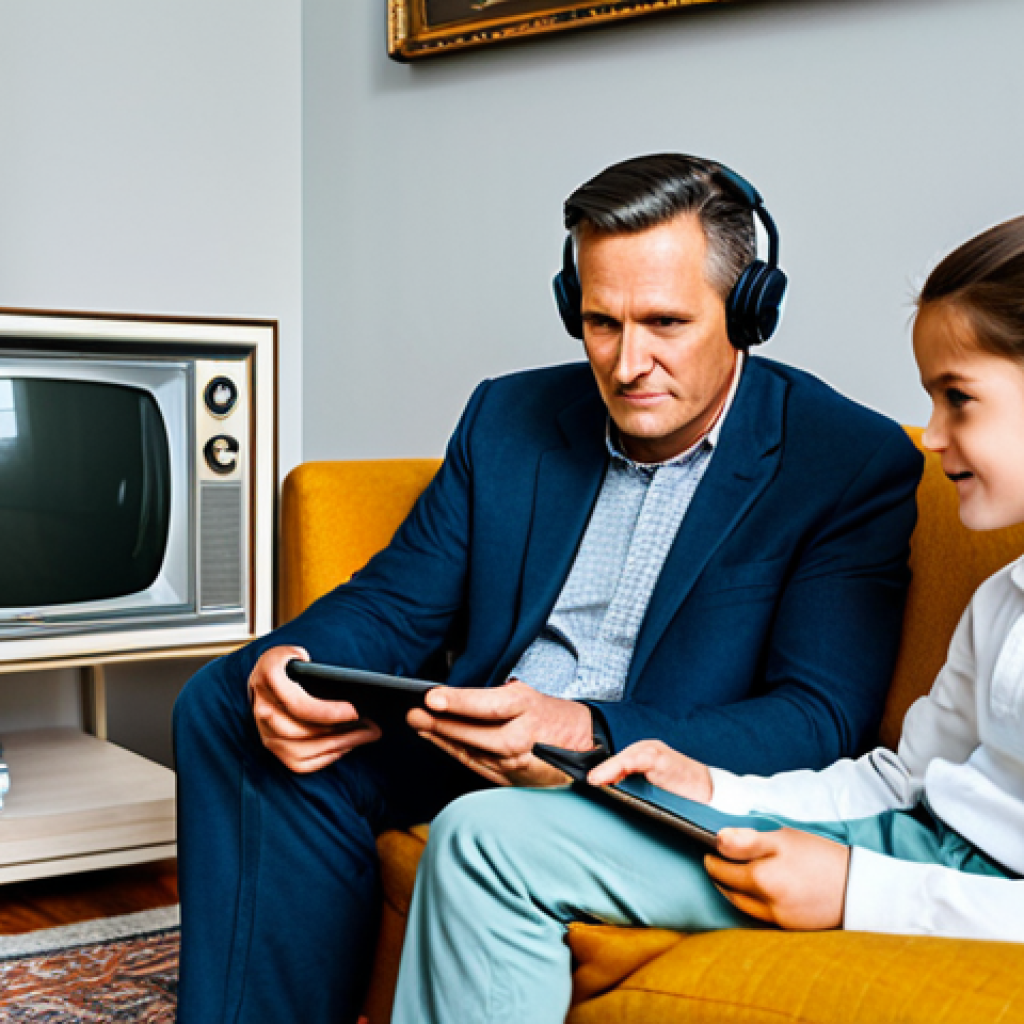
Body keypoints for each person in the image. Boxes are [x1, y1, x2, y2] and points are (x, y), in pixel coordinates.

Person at [172, 154, 922, 1024]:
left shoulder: (847, 460)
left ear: (749, 311)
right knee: (226, 701)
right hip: (475, 741)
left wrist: (589, 729)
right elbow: (394, 602)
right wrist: (294, 665)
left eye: (665, 322)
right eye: (601, 322)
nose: (629, 362)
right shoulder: (508, 417)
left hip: (644, 776)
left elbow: (818, 715)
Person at [390, 214, 1024, 1024]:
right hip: (902, 840)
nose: (932, 435)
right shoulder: (1003, 597)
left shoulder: (849, 469)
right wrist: (714, 783)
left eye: (958, 399)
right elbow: (901, 781)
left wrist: (858, 891)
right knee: (488, 837)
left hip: (925, 881)